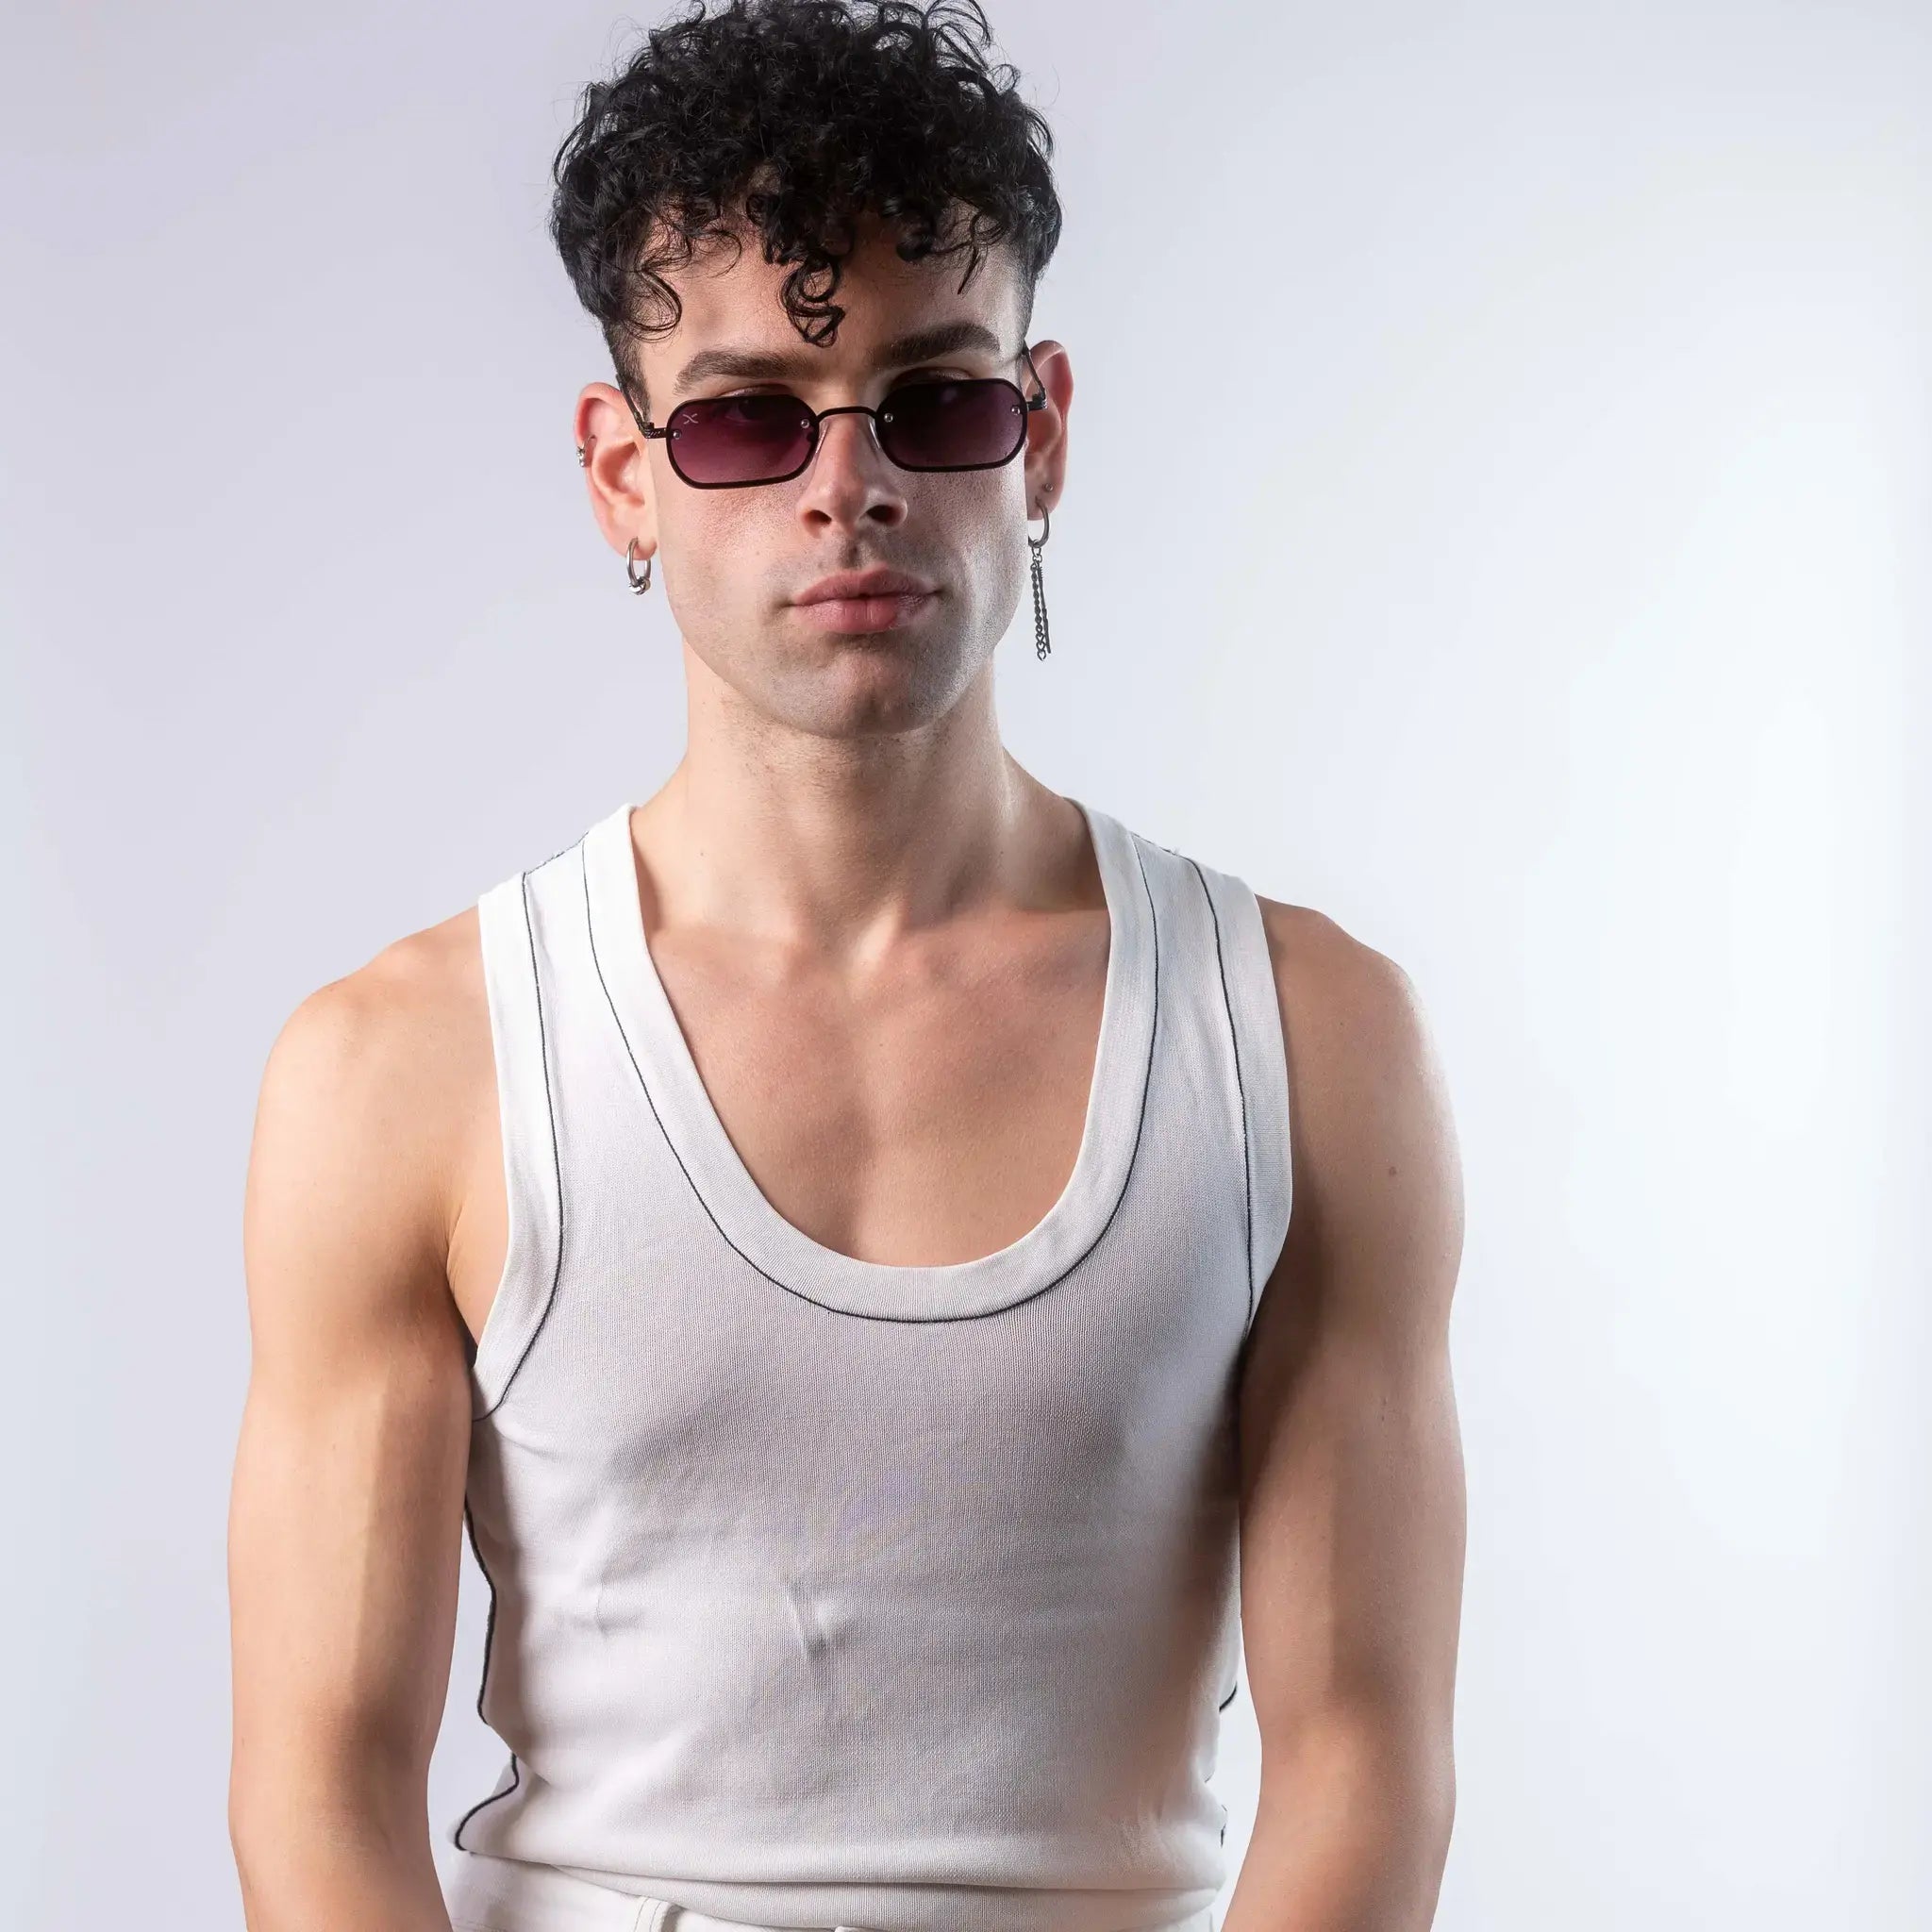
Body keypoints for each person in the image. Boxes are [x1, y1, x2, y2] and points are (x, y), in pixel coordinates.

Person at [225, 3, 1467, 1929]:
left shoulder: (1301, 1040)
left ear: (1037, 433)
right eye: (744, 417)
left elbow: (1365, 1761)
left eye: (933, 401)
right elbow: (315, 1784)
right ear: (624, 472)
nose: (846, 486)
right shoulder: (408, 1064)